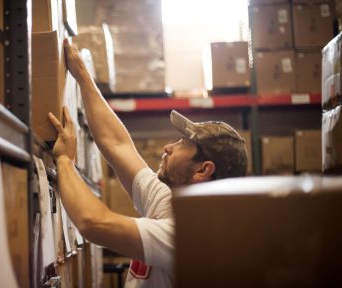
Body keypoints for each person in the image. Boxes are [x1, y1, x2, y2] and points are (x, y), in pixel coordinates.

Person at [47, 39, 248, 288]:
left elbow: (93, 223)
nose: (168, 147)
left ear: (203, 169)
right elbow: (117, 144)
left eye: (183, 144)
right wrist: (82, 75)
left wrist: (65, 160)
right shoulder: (168, 199)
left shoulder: (193, 235)